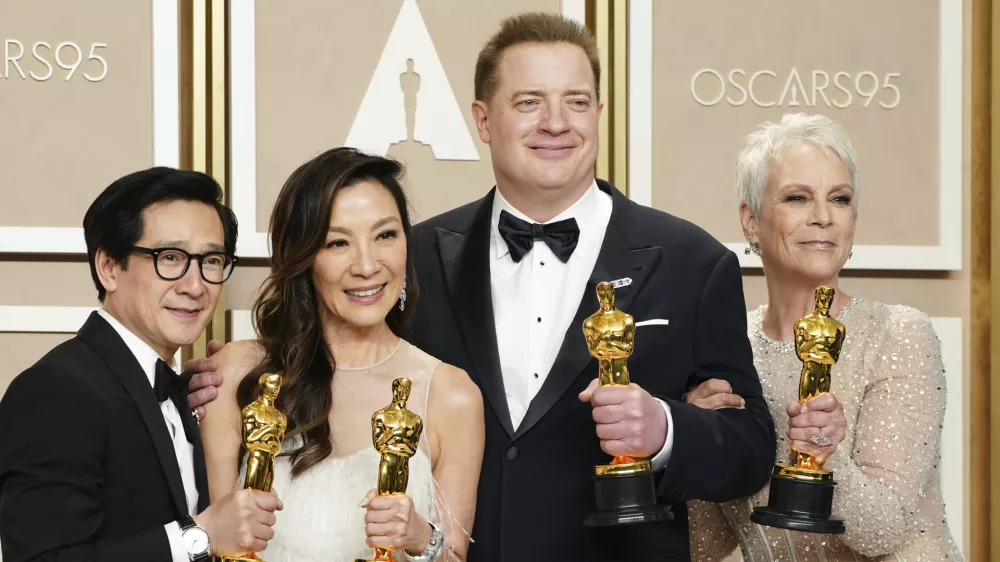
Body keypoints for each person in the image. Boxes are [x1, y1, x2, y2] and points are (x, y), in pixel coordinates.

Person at [188, 12, 775, 561]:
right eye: (529, 102)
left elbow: (751, 450)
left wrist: (668, 429)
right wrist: (212, 378)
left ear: (599, 110)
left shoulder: (694, 262)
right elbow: (327, 358)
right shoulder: (407, 255)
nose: (555, 122)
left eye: (575, 101)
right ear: (483, 118)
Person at [683, 113, 964, 561]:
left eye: (839, 198)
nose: (822, 217)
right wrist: (694, 442)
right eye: (797, 197)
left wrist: (825, 456)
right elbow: (709, 548)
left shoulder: (898, 336)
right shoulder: (726, 355)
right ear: (751, 220)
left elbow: (884, 532)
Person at [196, 147, 484, 562]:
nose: (367, 265)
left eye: (385, 235)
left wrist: (421, 536)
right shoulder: (238, 374)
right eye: (337, 243)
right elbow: (217, 544)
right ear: (304, 258)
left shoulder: (450, 394)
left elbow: (454, 557)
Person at [0, 168, 282, 562]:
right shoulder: (55, 390)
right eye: (170, 257)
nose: (195, 285)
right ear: (109, 268)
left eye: (212, 260)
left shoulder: (179, 390)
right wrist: (198, 536)